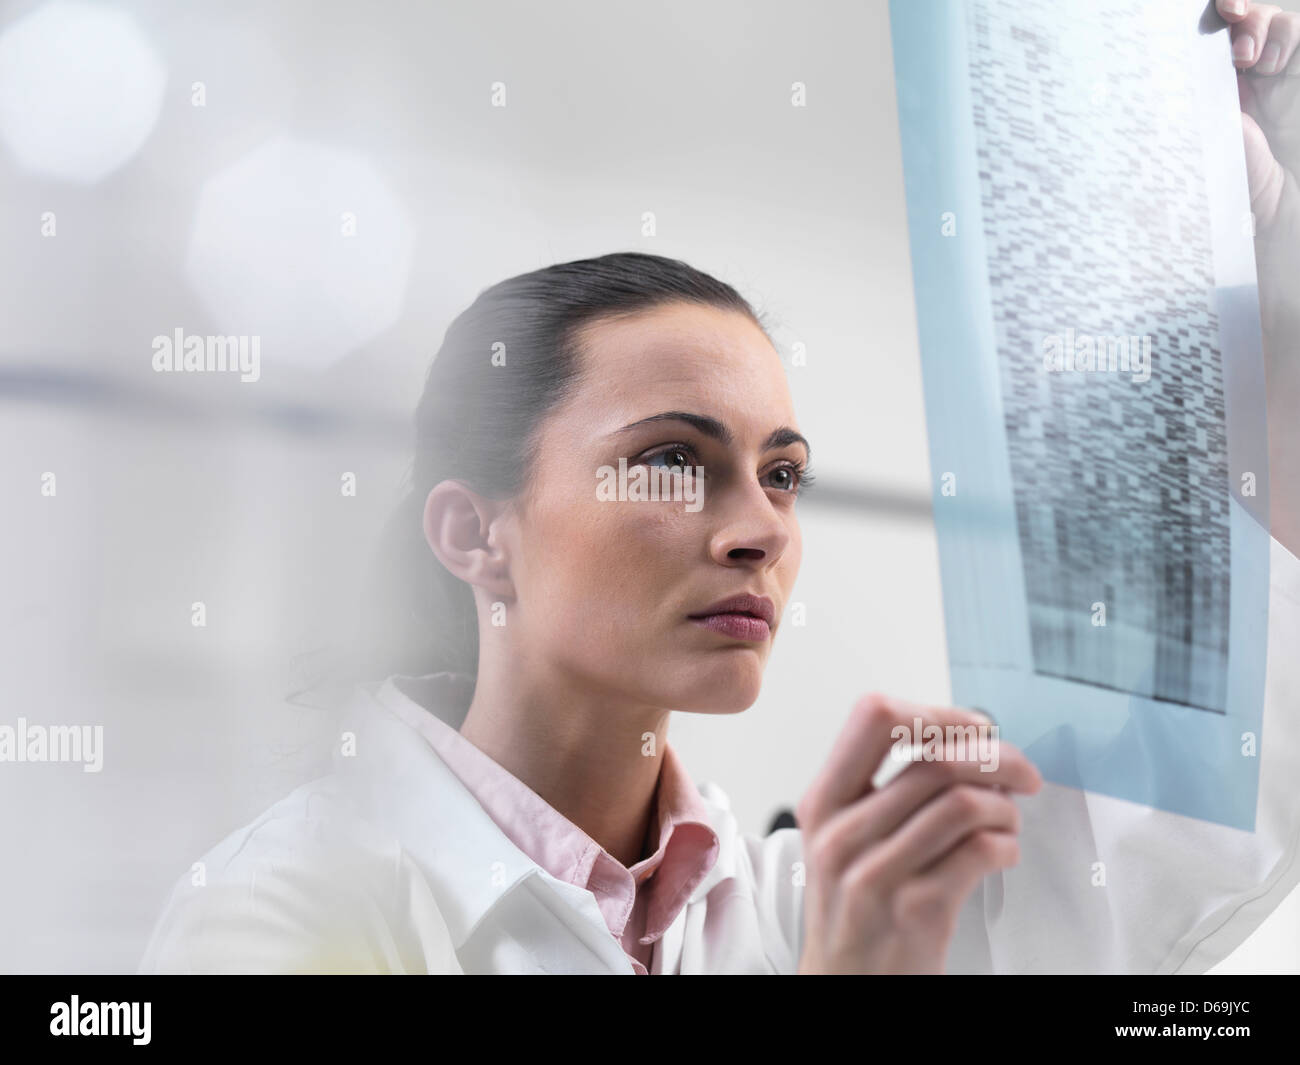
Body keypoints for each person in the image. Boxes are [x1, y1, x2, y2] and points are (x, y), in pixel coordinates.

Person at [139, 0, 1300, 975]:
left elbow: (1191, 806)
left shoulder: (800, 905)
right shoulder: (276, 914)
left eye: (782, 474)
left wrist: (1230, 246)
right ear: (473, 533)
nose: (759, 531)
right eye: (671, 462)